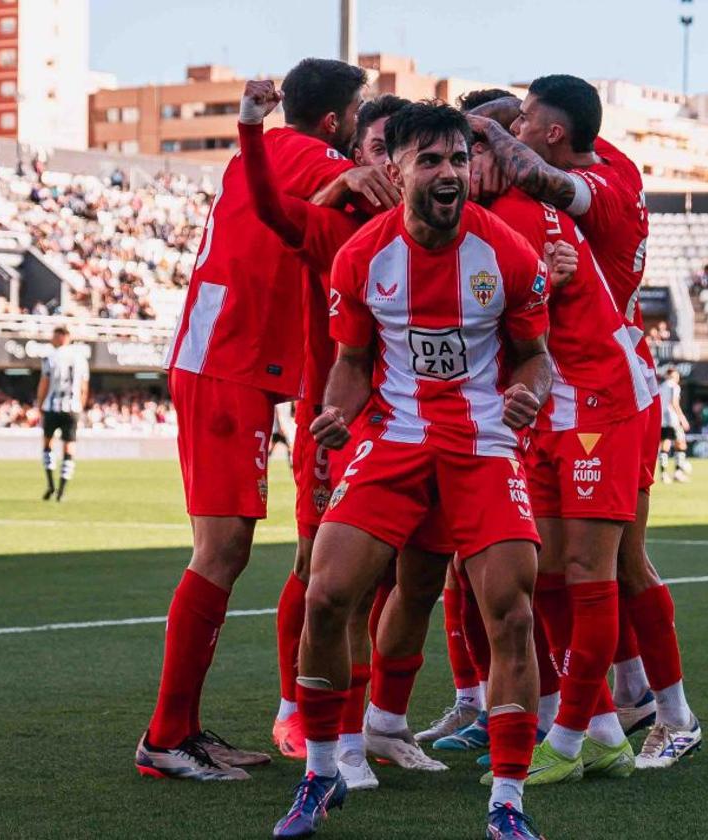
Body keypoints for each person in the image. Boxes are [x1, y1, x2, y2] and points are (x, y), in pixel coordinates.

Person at [273, 102, 552, 840]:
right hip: (394, 437)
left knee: (512, 612)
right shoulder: (362, 256)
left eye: (458, 159)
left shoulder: (508, 255)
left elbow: (535, 353)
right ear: (394, 169)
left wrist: (530, 393)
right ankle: (324, 772)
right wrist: (334, 416)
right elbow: (353, 364)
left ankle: (507, 803)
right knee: (327, 593)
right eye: (429, 160)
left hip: (484, 441)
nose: (449, 173)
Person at [136, 57, 377, 783]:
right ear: (336, 122)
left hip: (228, 357)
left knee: (229, 552)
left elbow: (283, 209)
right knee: (220, 552)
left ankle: (179, 728)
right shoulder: (308, 155)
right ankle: (164, 738)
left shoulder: (273, 151)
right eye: (363, 115)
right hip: (225, 360)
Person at [468, 75, 702, 769]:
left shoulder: (602, 187)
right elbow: (529, 157)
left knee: (607, 564)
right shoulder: (574, 172)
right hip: (573, 381)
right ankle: (613, 711)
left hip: (607, 384)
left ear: (549, 134)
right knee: (568, 565)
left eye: (527, 117)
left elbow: (540, 177)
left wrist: (490, 136)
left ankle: (652, 717)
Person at [238, 80, 414, 790]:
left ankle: (376, 726)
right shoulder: (333, 223)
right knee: (322, 573)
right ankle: (314, 723)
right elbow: (270, 209)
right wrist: (252, 129)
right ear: (356, 152)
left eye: (396, 152)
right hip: (336, 421)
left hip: (415, 427)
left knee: (399, 580)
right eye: (374, 148)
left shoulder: (446, 233)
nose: (385, 164)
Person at [35, 325, 88, 501]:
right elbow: (83, 388)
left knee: (47, 444)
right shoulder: (81, 359)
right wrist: (80, 406)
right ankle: (62, 490)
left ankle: (51, 484)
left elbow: (44, 383)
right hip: (72, 408)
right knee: (69, 446)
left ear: (61, 336)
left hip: (52, 406)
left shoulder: (50, 358)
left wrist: (40, 404)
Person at [658, 366, 692, 484]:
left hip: (661, 420)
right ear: (673, 376)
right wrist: (682, 418)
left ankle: (663, 474)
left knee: (665, 446)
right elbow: (674, 403)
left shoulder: (661, 387)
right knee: (681, 444)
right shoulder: (674, 386)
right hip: (672, 419)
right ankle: (678, 472)